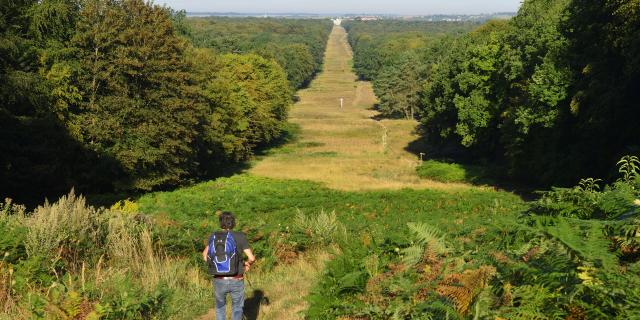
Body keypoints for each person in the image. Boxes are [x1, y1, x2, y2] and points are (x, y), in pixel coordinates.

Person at [202, 212, 256, 320]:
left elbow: (204, 256)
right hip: (236, 279)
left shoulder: (214, 236)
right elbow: (252, 258)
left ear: (220, 223)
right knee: (237, 308)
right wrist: (247, 265)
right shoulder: (240, 236)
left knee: (220, 307)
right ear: (233, 222)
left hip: (219, 279)